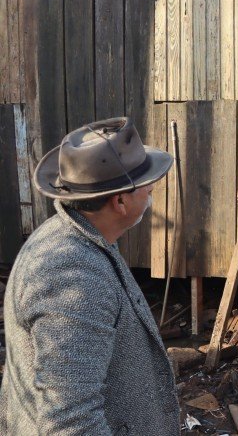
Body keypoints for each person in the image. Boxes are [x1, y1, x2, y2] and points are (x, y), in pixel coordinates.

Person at [0, 117, 180, 435]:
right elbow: (71, 422)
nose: (153, 188)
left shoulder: (76, 237)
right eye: (146, 183)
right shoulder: (73, 276)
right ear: (120, 201)